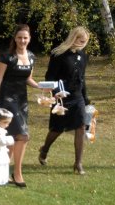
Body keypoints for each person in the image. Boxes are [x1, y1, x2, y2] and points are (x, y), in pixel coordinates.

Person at [0, 24, 40, 188]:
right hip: (7, 99)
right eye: (19, 37)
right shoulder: (7, 56)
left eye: (25, 38)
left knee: (12, 137)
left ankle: (2, 172)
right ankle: (17, 174)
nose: (22, 40)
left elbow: (28, 79)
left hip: (22, 101)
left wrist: (41, 86)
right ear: (15, 38)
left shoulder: (31, 57)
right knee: (23, 136)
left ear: (29, 39)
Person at [38, 26, 91, 175]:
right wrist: (55, 93)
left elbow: (82, 78)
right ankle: (44, 149)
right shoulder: (59, 54)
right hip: (61, 96)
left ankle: (78, 163)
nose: (83, 44)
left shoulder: (83, 56)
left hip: (77, 96)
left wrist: (86, 98)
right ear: (73, 38)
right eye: (81, 41)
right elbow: (50, 76)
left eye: (85, 42)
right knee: (58, 128)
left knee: (81, 126)